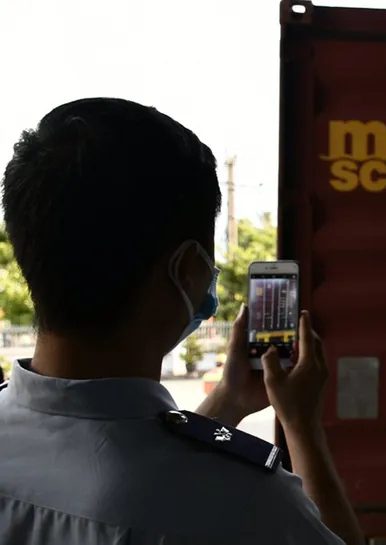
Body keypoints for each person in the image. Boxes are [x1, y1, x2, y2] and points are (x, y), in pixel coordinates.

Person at [0, 98, 363, 545]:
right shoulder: (248, 503)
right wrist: (300, 424)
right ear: (186, 269)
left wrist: (229, 400)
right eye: (208, 263)